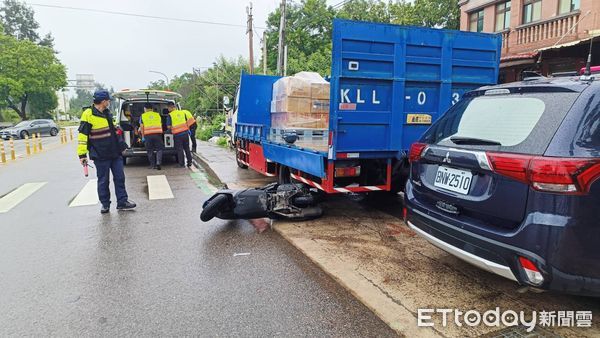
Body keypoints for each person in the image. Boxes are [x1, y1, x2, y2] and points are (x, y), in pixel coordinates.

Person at [77, 90, 136, 214]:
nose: (109, 102)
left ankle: (122, 202)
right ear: (103, 101)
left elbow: (114, 131)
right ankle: (105, 204)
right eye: (108, 100)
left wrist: (122, 145)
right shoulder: (88, 114)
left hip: (114, 152)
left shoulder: (107, 113)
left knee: (120, 177)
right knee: (103, 180)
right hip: (100, 154)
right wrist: (82, 154)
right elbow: (83, 136)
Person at [166, 102, 194, 167]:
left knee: (180, 149)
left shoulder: (170, 115)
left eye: (168, 108)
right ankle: (189, 162)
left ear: (171, 107)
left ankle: (182, 164)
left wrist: (170, 129)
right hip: (185, 133)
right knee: (187, 148)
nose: (168, 109)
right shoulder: (182, 113)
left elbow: (168, 126)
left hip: (177, 135)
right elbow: (189, 121)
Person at [139, 103, 164, 170]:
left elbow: (141, 127)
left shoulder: (143, 116)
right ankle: (158, 162)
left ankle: (152, 165)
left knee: (150, 150)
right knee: (159, 149)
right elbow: (161, 124)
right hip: (158, 134)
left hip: (148, 135)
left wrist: (143, 136)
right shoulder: (157, 115)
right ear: (152, 109)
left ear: (145, 109)